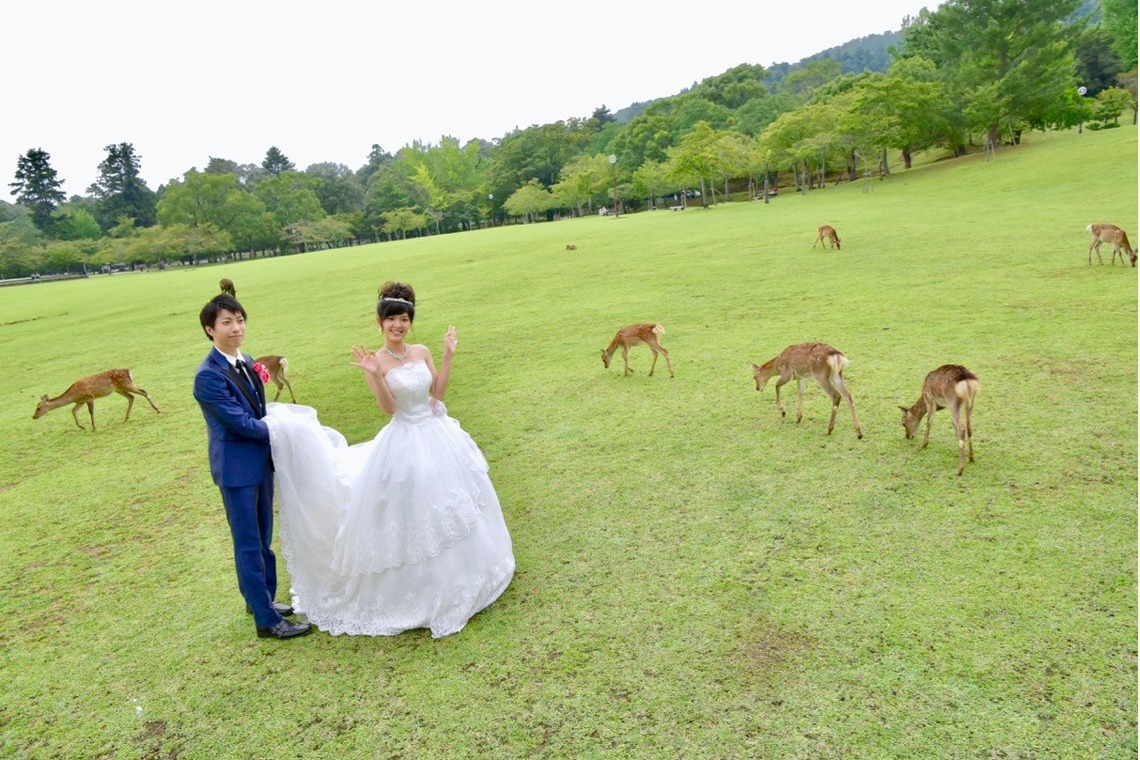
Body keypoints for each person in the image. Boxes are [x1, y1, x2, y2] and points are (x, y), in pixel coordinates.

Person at [265, 281, 515, 637]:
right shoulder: (377, 361)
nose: (398, 326)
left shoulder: (422, 351)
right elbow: (388, 408)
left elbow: (438, 392)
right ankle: (421, 589)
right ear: (380, 322)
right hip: (404, 436)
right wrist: (374, 375)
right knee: (417, 503)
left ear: (410, 322)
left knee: (453, 501)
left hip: (437, 432)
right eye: (391, 320)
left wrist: (447, 355)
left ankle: (467, 575)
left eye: (404, 319)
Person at [193, 294, 313, 641]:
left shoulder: (245, 360)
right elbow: (240, 423)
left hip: (260, 462)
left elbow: (257, 410)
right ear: (210, 329)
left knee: (263, 538)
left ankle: (261, 599)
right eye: (226, 322)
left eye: (240, 320)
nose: (236, 328)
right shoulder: (208, 376)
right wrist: (286, 429)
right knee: (248, 542)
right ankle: (266, 621)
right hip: (236, 470)